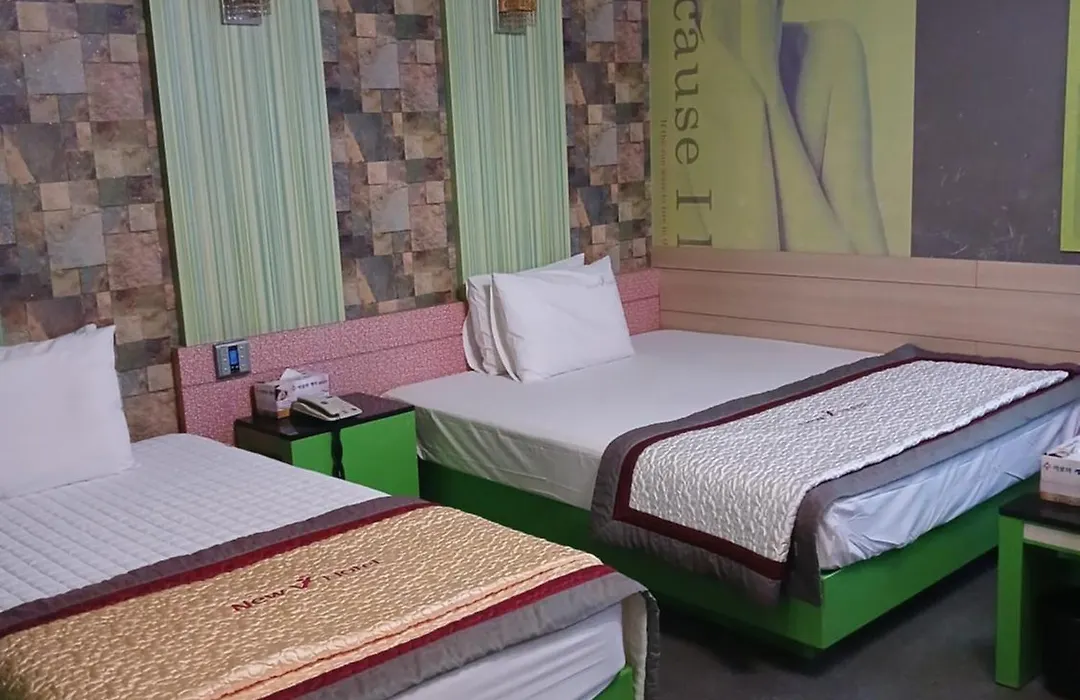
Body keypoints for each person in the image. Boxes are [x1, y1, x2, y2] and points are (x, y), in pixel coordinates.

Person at [680, 0, 889, 254]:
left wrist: (765, 81)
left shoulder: (831, 47)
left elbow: (867, 272)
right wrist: (752, 83)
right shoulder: (677, 90)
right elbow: (751, 260)